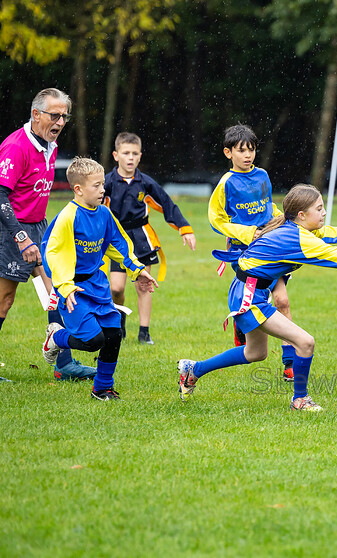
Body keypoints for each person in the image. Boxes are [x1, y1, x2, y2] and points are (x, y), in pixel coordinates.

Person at [179, 184, 337, 410]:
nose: (324, 212)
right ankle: (300, 399)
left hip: (250, 288)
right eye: (319, 208)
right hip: (249, 295)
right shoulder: (298, 239)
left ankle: (194, 370)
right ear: (302, 215)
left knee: (255, 353)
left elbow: (326, 233)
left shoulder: (295, 228)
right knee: (305, 342)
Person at [40, 157, 158, 400]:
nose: (102, 189)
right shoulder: (68, 217)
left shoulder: (104, 214)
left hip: (97, 283)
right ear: (78, 190)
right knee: (93, 340)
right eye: (96, 185)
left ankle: (102, 388)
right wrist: (65, 286)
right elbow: (54, 253)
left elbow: (119, 244)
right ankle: (57, 337)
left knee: (113, 334)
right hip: (74, 288)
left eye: (102, 184)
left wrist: (137, 270)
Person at [0, 87, 96, 380]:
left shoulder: (49, 144)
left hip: (39, 227)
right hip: (12, 229)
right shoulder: (16, 146)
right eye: (55, 115)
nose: (60, 122)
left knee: (57, 289)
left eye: (65, 116)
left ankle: (64, 363)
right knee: (4, 298)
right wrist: (21, 237)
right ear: (36, 114)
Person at [207, 124, 301, 379]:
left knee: (282, 300)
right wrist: (246, 233)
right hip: (244, 253)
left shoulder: (262, 175)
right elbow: (216, 219)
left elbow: (267, 206)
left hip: (270, 247)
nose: (247, 155)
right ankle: (242, 322)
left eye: (251, 150)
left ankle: (289, 363)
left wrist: (282, 221)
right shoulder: (226, 183)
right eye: (241, 150)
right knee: (252, 302)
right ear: (228, 153)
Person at [104, 132, 196, 345]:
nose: (130, 158)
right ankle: (120, 324)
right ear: (116, 155)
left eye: (135, 153)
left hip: (142, 238)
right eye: (126, 153)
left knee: (143, 286)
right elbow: (92, 206)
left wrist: (185, 228)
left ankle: (144, 333)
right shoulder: (107, 182)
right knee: (116, 288)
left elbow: (167, 204)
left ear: (140, 156)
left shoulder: (145, 182)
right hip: (118, 240)